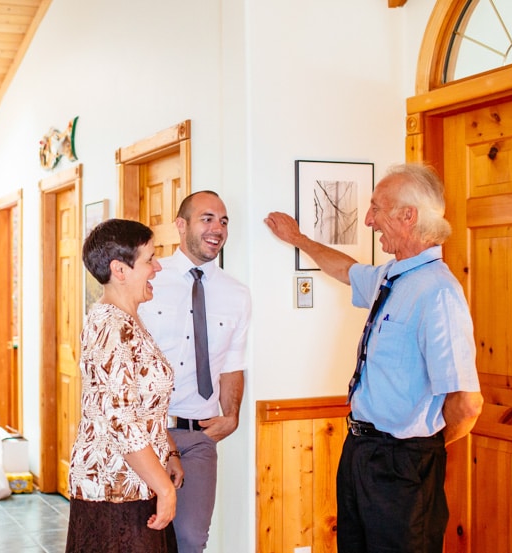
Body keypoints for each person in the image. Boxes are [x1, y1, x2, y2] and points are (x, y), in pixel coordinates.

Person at [264, 162, 484, 553]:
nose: (369, 220)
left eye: (376, 209)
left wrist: (419, 448)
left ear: (407, 216)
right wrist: (298, 239)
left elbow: (466, 403)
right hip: (361, 453)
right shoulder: (393, 277)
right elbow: (346, 270)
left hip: (402, 463)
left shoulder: (438, 293)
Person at [139, 191, 251, 553]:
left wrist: (231, 415)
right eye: (207, 218)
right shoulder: (149, 282)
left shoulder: (237, 294)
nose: (217, 228)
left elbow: (233, 362)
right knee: (143, 537)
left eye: (223, 220)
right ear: (180, 225)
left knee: (191, 541)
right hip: (148, 434)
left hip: (200, 436)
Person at [66, 218, 184, 553]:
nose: (157, 267)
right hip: (115, 489)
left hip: (137, 482)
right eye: (149, 259)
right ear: (120, 270)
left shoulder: (127, 320)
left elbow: (141, 405)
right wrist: (165, 489)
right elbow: (119, 419)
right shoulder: (110, 326)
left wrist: (169, 452)